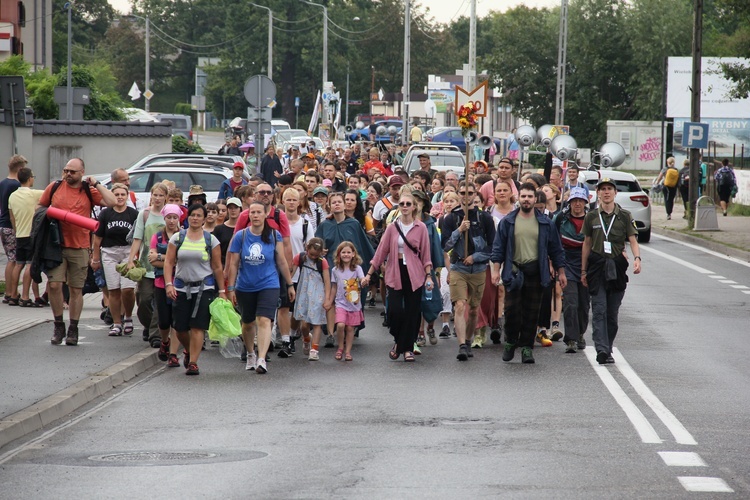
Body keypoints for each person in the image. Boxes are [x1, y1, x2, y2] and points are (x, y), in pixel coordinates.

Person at [39, 158, 116, 345]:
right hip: (56, 246)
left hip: (80, 246)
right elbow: (40, 207)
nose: (67, 174)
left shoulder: (89, 191)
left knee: (76, 290)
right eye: (66, 170)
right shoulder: (55, 187)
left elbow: (112, 202)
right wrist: (48, 217)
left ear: (82, 172)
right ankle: (59, 325)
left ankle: (73, 327)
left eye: (72, 171)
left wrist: (96, 183)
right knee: (55, 285)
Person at [490, 182, 567, 365]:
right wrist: (495, 270)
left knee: (532, 313)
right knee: (512, 312)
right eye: (523, 196)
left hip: (536, 272)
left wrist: (561, 272)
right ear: (518, 198)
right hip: (514, 272)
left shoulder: (545, 223)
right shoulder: (508, 221)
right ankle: (510, 342)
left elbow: (556, 250)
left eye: (529, 197)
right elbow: (498, 248)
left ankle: (526, 348)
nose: (526, 200)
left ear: (535, 199)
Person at [361, 191, 433, 362]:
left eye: (409, 204)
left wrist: (429, 275)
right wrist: (369, 273)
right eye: (402, 204)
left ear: (414, 207)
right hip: (395, 270)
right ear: (398, 207)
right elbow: (381, 252)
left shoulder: (420, 227)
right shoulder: (393, 227)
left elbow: (426, 255)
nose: (405, 207)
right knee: (394, 311)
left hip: (414, 272)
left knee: (412, 312)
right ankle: (399, 342)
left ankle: (406, 348)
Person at [226, 201, 295, 374]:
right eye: (252, 212)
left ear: (265, 215)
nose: (255, 215)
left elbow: (281, 261)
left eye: (259, 212)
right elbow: (233, 264)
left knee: (264, 320)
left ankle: (262, 358)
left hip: (269, 284)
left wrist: (289, 284)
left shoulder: (274, 235)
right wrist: (231, 287)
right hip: (245, 285)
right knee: (247, 323)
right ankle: (250, 353)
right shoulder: (240, 236)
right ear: (248, 216)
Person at [581, 177, 641, 365]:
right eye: (602, 189)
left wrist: (637, 258)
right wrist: (583, 271)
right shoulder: (591, 216)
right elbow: (587, 243)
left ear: (615, 193)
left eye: (609, 189)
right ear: (597, 193)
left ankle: (608, 346)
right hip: (597, 267)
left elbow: (632, 240)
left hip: (616, 267)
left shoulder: (624, 216)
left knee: (612, 314)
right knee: (599, 310)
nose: (606, 192)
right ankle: (601, 349)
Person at [163, 204, 226, 376]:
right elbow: (169, 262)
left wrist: (222, 291)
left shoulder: (211, 240)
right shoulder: (178, 238)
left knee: (198, 326)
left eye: (199, 215)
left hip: (204, 288)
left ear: (205, 219)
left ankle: (193, 363)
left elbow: (217, 266)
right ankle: (189, 350)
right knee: (180, 327)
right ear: (187, 217)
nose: (195, 218)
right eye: (192, 215)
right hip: (181, 287)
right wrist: (169, 284)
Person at [441, 181, 496, 361]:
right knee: (459, 305)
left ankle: (470, 338)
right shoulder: (450, 218)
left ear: (475, 194)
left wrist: (476, 257)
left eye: (470, 192)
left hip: (478, 269)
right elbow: (446, 245)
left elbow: (492, 247)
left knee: (473, 309)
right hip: (458, 268)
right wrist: (459, 230)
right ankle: (462, 344)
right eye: (463, 193)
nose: (466, 196)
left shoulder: (484, 218)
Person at [92, 183, 139, 336]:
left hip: (127, 252)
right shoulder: (106, 213)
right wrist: (95, 258)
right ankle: (116, 322)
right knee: (113, 289)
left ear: (127, 197)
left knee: (127, 289)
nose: (119, 197)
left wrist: (135, 256)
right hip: (109, 252)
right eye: (116, 194)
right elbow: (98, 238)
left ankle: (129, 317)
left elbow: (138, 238)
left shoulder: (133, 214)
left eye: (122, 195)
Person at [127, 183, 168, 346]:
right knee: (144, 299)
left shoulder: (169, 215)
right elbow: (137, 238)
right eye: (155, 195)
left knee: (160, 302)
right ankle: (150, 325)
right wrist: (130, 260)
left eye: (160, 195)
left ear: (166, 197)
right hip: (146, 264)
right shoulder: (143, 214)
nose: (157, 198)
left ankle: (155, 334)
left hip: (164, 265)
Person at [553, 187, 590, 353]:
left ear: (585, 202)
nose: (577, 204)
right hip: (566, 263)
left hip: (587, 265)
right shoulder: (560, 218)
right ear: (569, 202)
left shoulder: (592, 218)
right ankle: (571, 339)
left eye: (580, 201)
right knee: (570, 303)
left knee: (583, 304)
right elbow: (552, 241)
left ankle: (580, 333)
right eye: (574, 201)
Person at [149, 204, 182, 366]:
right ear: (164, 218)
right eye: (169, 217)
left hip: (180, 283)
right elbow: (152, 261)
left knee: (176, 320)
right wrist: (168, 260)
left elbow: (181, 261)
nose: (171, 220)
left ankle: (173, 354)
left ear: (179, 219)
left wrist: (161, 257)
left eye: (174, 217)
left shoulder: (183, 236)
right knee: (163, 321)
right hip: (161, 284)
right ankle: (164, 341)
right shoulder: (158, 237)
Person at [7, 166, 44, 307]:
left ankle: (13, 294)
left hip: (20, 234)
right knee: (29, 265)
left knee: (18, 264)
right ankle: (25, 296)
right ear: (30, 178)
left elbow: (12, 218)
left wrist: (16, 231)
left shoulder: (12, 196)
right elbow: (51, 192)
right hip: (31, 234)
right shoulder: (33, 194)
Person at [290, 238, 331, 361]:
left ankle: (314, 349)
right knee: (304, 324)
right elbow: (291, 273)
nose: (313, 257)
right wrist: (288, 285)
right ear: (307, 249)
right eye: (311, 254)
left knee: (317, 322)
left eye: (316, 255)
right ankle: (306, 338)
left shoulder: (322, 262)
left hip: (318, 293)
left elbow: (327, 281)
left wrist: (327, 298)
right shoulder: (301, 257)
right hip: (303, 292)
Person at [328, 242, 365, 361]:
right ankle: (340, 347)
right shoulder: (335, 270)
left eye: (349, 252)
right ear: (339, 254)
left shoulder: (357, 269)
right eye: (343, 252)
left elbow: (362, 278)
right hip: (340, 303)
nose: (346, 255)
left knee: (350, 329)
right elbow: (334, 286)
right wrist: (330, 301)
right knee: (340, 325)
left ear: (354, 254)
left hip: (354, 303)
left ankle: (348, 351)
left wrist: (364, 281)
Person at [1, 154, 23, 305]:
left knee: (10, 258)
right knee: (14, 260)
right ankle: (11, 292)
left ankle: (9, 291)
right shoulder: (15, 185)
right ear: (20, 168)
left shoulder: (2, 183)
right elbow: (14, 208)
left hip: (2, 224)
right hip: (11, 225)